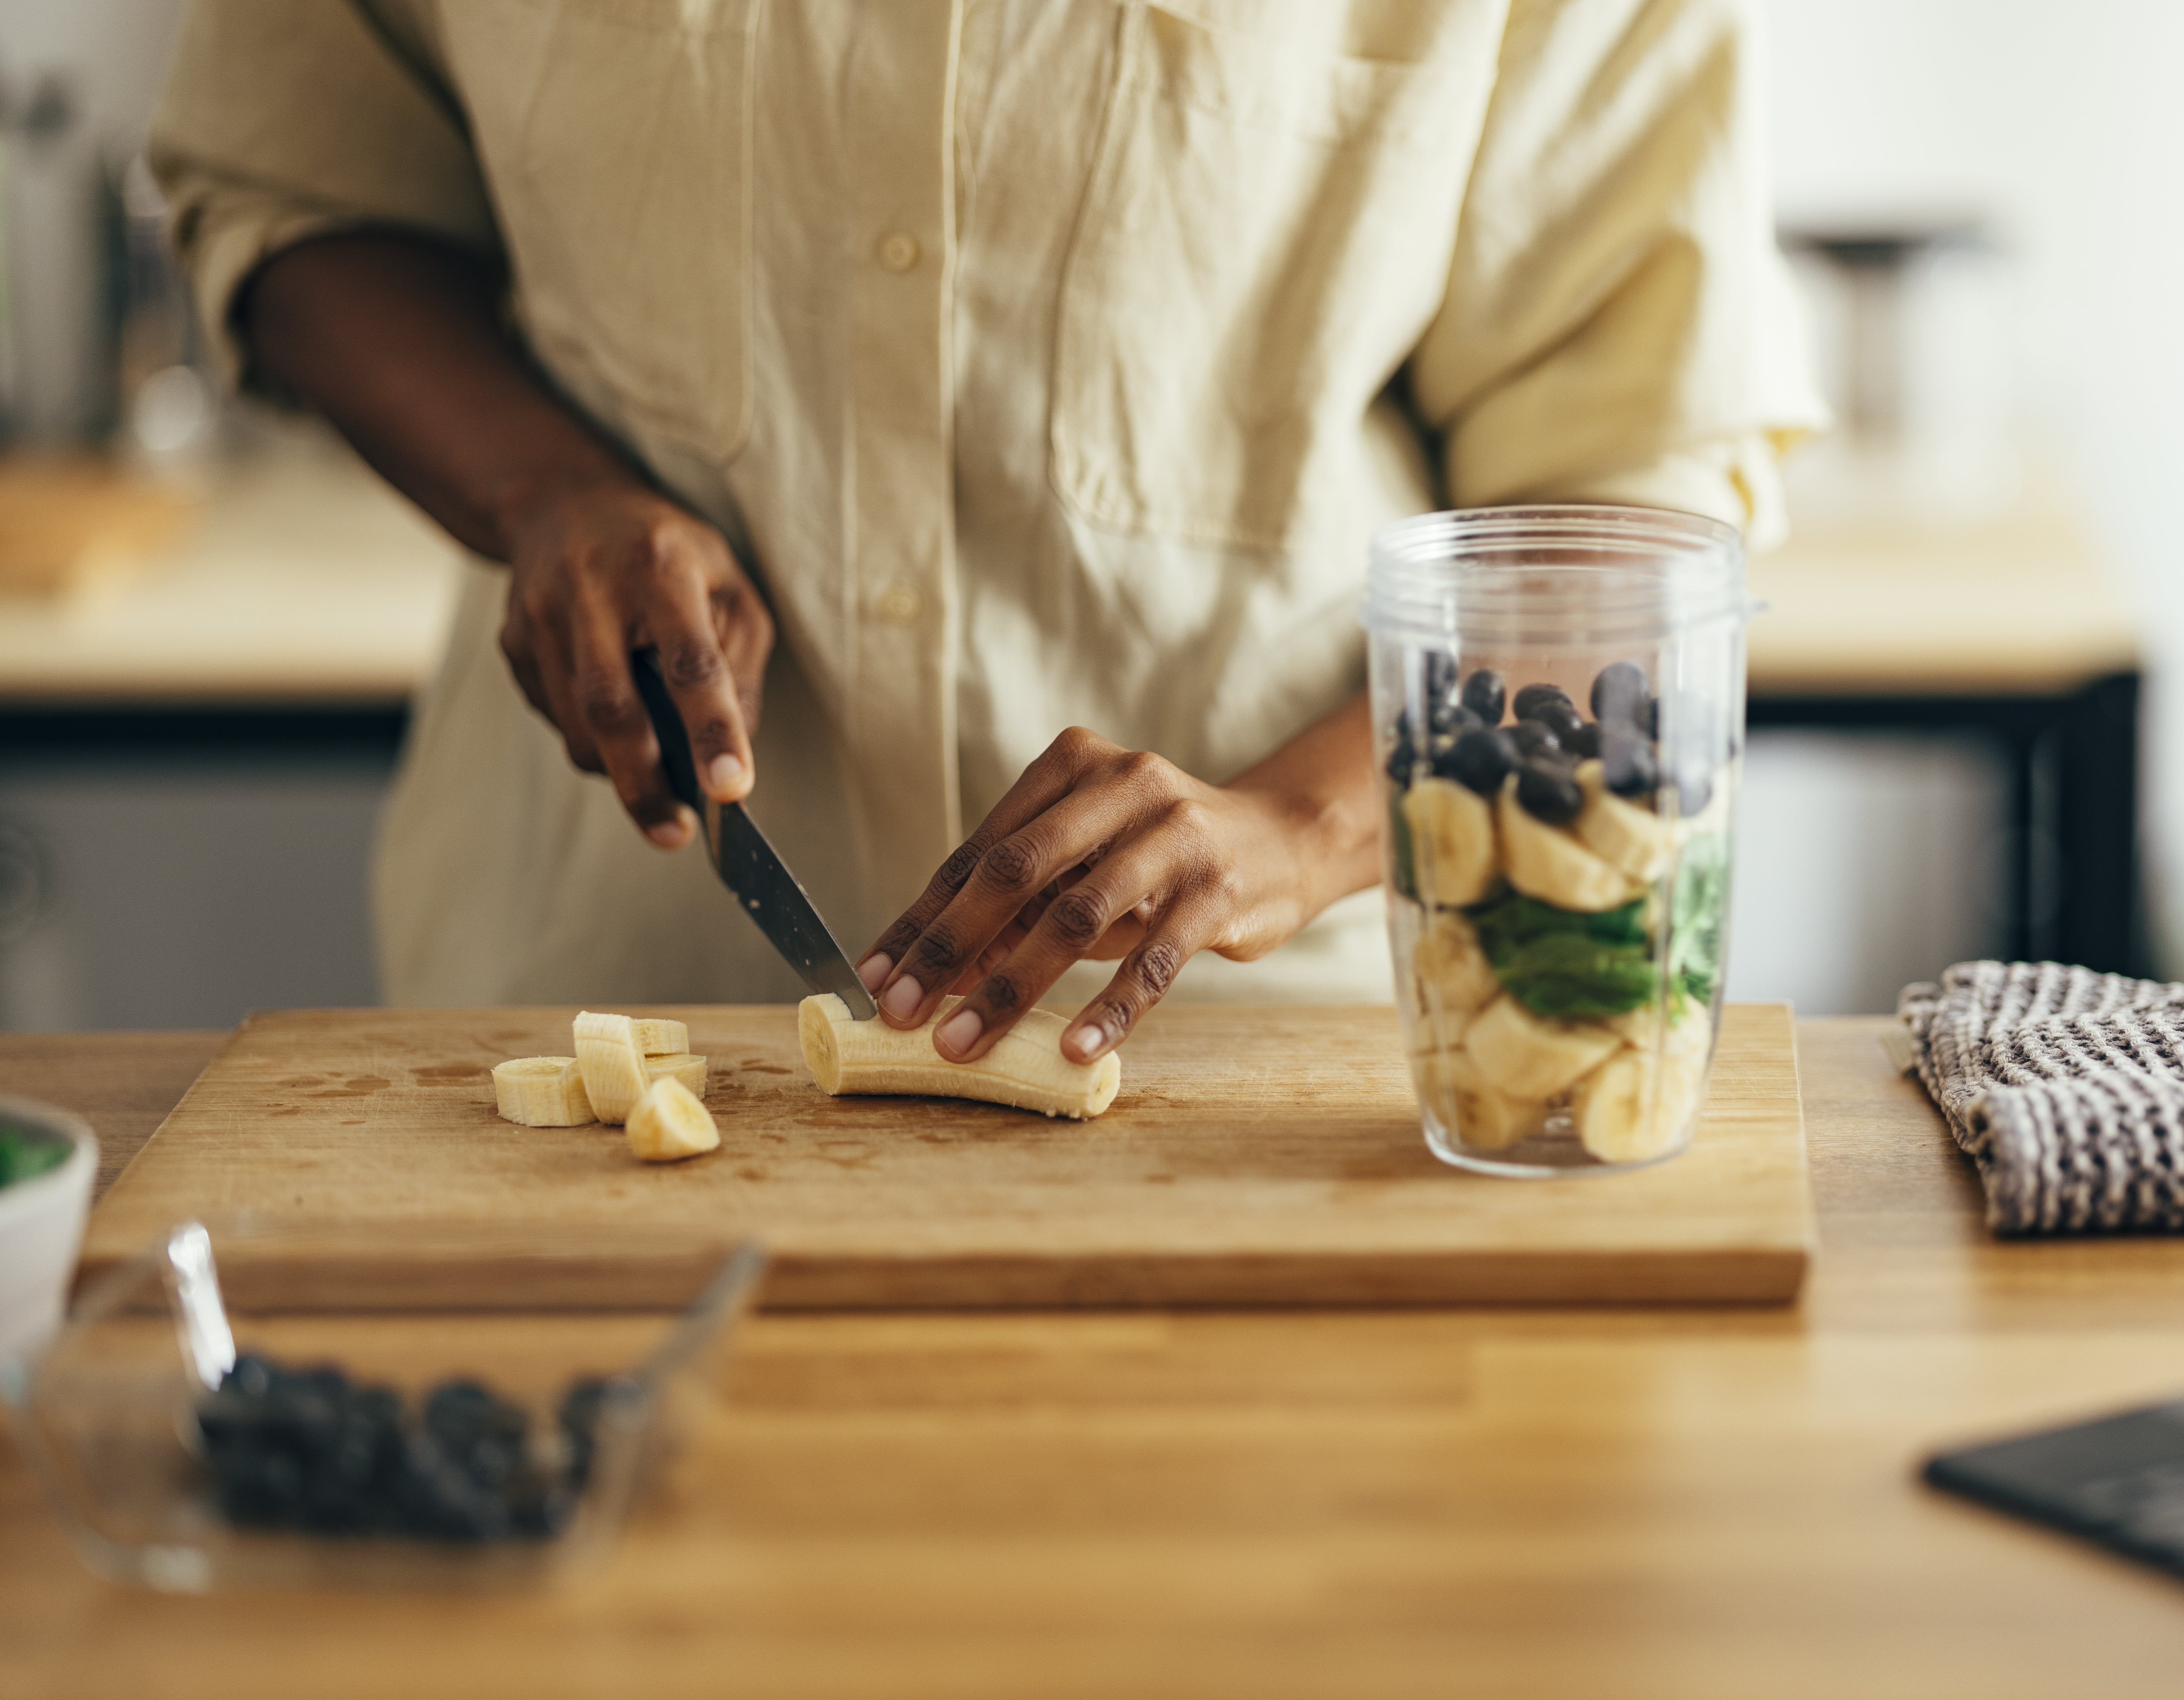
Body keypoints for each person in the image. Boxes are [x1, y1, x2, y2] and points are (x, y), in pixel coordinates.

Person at [151, 0, 1821, 1068]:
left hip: (1252, 1066)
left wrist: (1294, 825)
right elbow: (299, 190)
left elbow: (1637, 506)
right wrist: (546, 494)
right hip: (604, 1004)